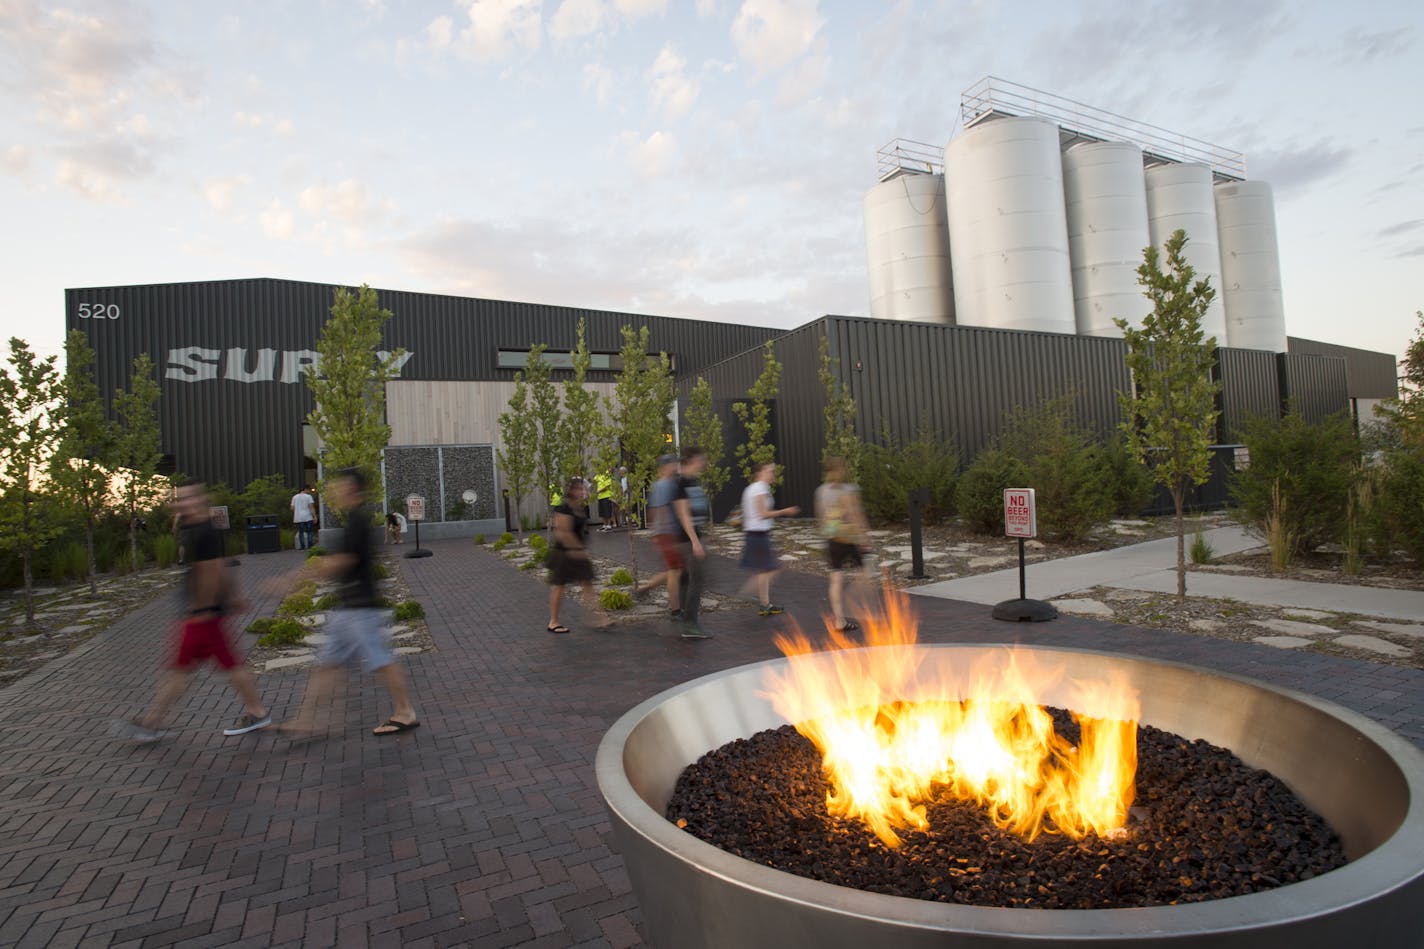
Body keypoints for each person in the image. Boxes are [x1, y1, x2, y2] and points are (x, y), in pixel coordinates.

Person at [118, 480, 270, 742]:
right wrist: (233, 597)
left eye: (188, 498)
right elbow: (221, 565)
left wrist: (202, 608)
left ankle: (152, 723)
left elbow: (211, 569)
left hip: (202, 615)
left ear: (200, 501)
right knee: (205, 666)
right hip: (205, 614)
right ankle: (257, 712)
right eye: (180, 499)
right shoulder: (199, 528)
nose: (182, 503)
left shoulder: (203, 532)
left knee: (188, 668)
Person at [273, 468, 420, 738]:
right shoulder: (353, 521)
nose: (334, 493)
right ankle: (305, 719)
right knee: (328, 664)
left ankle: (405, 711)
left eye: (339, 487)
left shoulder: (359, 522)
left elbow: (345, 561)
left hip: (362, 609)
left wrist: (296, 579)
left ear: (353, 490)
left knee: (382, 661)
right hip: (348, 608)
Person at [815, 456, 873, 633]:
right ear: (842, 470)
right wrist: (864, 537)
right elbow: (854, 514)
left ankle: (839, 619)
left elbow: (820, 517)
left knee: (836, 578)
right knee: (865, 573)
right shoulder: (848, 489)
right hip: (849, 538)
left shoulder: (821, 491)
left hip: (832, 539)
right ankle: (855, 605)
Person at [546, 478, 611, 633]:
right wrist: (576, 549)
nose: (583, 492)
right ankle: (553, 622)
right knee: (559, 587)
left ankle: (599, 617)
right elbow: (562, 532)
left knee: (587, 584)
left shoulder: (579, 507)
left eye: (584, 489)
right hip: (565, 554)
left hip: (578, 552)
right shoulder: (564, 508)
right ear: (572, 491)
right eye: (580, 489)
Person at [739, 460, 800, 616]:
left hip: (756, 534)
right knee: (771, 568)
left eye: (774, 471)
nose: (773, 474)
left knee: (766, 569)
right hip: (758, 535)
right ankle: (749, 595)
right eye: (770, 471)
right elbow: (763, 513)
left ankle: (764, 604)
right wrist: (785, 511)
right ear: (760, 472)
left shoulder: (753, 488)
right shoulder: (759, 488)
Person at [671, 446, 711, 639]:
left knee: (687, 579)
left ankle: (686, 620)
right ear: (691, 460)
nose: (703, 463)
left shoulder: (693, 481)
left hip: (693, 537)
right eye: (700, 459)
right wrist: (695, 541)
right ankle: (690, 624)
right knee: (697, 580)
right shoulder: (681, 484)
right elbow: (683, 514)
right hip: (687, 540)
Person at [636, 454, 683, 613]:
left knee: (674, 569)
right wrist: (659, 534)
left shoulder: (669, 484)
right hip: (667, 533)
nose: (675, 466)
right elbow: (658, 511)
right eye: (672, 464)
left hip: (669, 533)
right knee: (674, 571)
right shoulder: (663, 485)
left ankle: (646, 587)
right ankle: (676, 610)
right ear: (664, 467)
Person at [291, 485, 316, 550]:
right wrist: (314, 516)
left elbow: (292, 508)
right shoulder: (309, 496)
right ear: (305, 489)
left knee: (301, 532)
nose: (309, 491)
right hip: (308, 517)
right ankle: (310, 546)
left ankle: (302, 547)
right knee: (309, 532)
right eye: (309, 490)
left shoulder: (294, 497)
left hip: (298, 518)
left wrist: (297, 511)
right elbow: (311, 507)